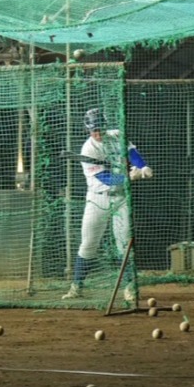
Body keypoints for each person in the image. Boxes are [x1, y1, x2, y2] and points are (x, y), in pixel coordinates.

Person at [63, 107, 151, 301]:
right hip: (97, 198)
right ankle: (76, 286)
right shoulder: (88, 149)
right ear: (88, 129)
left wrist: (142, 165)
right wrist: (129, 177)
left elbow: (132, 152)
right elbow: (105, 177)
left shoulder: (116, 135)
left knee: (124, 242)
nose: (98, 133)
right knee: (89, 244)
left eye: (100, 128)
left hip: (120, 198)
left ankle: (129, 287)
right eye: (94, 130)